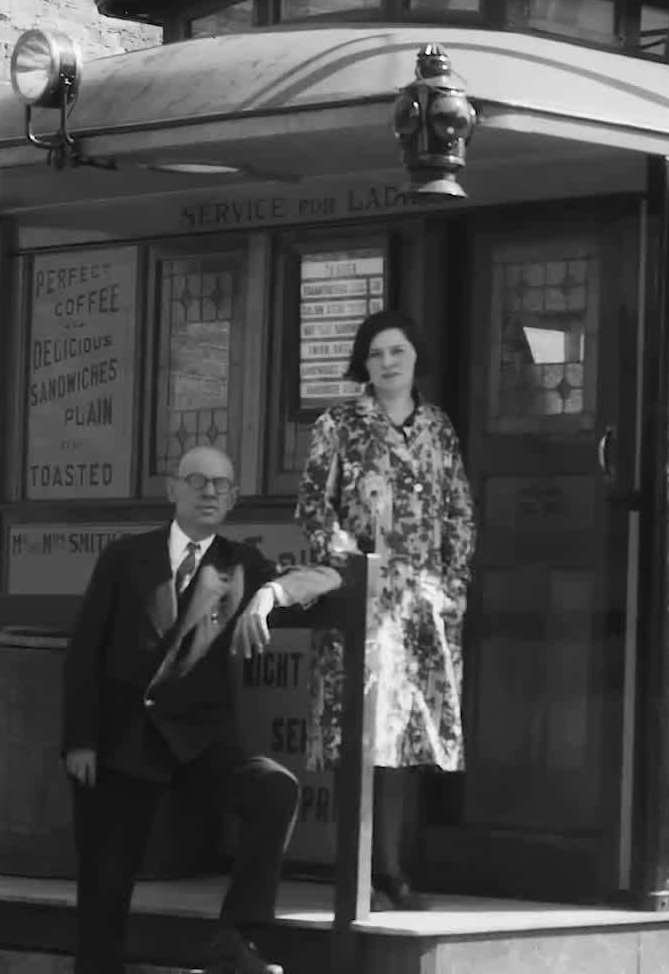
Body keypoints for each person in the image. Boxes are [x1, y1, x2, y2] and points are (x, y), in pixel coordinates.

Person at [60, 446, 304, 974]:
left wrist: (270, 596)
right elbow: (84, 651)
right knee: (106, 881)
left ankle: (237, 938)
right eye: (197, 481)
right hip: (123, 740)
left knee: (274, 789)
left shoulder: (241, 564)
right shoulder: (126, 557)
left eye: (221, 484)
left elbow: (324, 578)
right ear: (173, 489)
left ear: (234, 497)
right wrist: (81, 740)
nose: (210, 491)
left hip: (198, 743)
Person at [263, 309, 475, 911]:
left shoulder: (437, 427)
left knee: (409, 740)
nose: (388, 362)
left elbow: (458, 505)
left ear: (415, 358)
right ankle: (359, 871)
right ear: (365, 361)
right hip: (364, 602)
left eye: (398, 351)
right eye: (377, 352)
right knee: (362, 735)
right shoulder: (341, 423)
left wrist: (453, 583)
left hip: (424, 608)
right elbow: (313, 503)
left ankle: (395, 870)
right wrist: (351, 565)